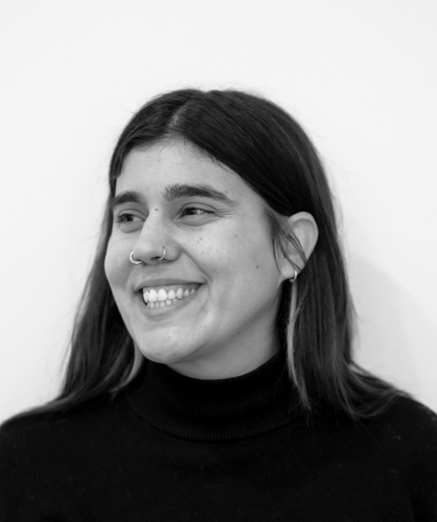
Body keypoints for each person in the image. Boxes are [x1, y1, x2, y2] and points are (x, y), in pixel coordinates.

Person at [0, 89, 436, 521]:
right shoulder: (23, 467)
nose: (146, 246)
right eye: (129, 217)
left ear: (292, 248)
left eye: (193, 210)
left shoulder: (413, 461)